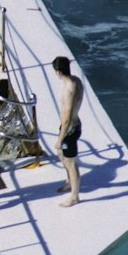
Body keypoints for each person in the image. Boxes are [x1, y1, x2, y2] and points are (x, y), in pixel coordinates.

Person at [52, 55, 84, 207]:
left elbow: (66, 119)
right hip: (73, 126)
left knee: (71, 162)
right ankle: (69, 181)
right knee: (61, 154)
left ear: (58, 72)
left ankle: (75, 196)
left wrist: (60, 138)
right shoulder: (77, 81)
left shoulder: (68, 91)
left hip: (69, 130)